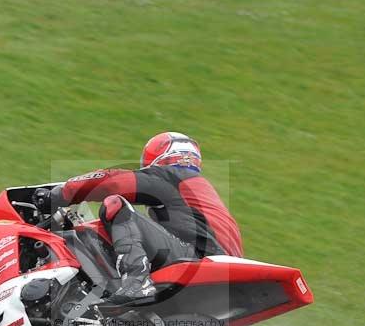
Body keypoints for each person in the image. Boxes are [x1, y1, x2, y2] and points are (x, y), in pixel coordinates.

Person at [33, 131, 243, 305]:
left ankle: (137, 282)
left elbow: (111, 183)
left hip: (200, 259)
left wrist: (59, 194)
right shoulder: (199, 188)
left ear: (157, 156)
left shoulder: (170, 177)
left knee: (115, 204)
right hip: (227, 271)